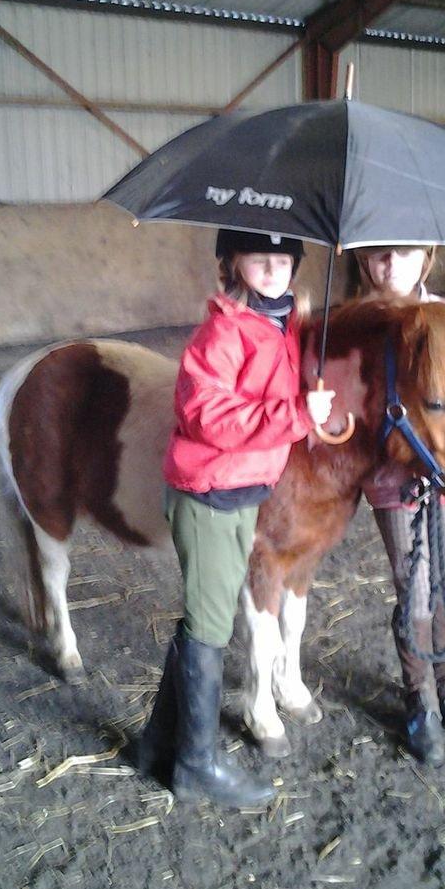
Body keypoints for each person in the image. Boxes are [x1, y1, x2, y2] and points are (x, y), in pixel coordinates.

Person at [137, 229, 335, 807]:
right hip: (210, 493)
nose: (274, 270)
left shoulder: (284, 325)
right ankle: (196, 764)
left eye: (283, 260)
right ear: (233, 264)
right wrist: (295, 413)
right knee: (209, 625)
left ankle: (158, 743)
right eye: (260, 260)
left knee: (205, 616)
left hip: (244, 489)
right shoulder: (223, 330)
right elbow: (206, 414)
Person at [355, 245, 445, 767]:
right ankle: (421, 701)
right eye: (376, 255)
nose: (388, 265)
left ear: (428, 256)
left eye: (403, 252)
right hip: (394, 479)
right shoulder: (358, 327)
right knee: (413, 586)